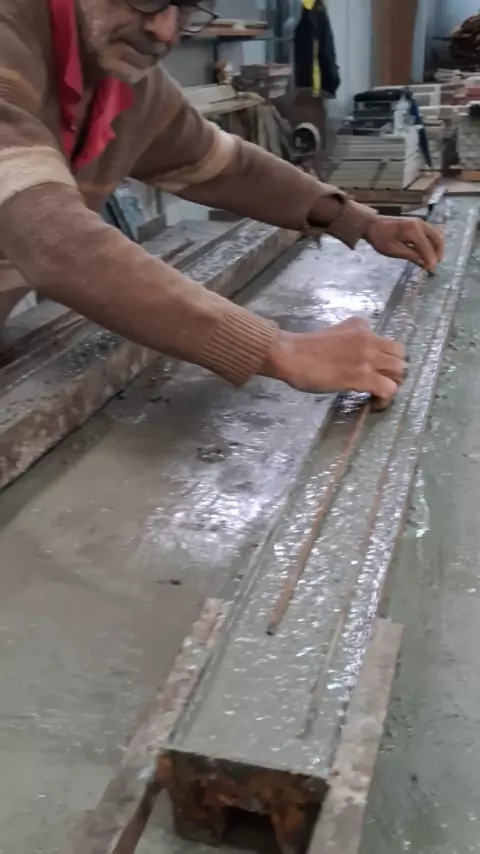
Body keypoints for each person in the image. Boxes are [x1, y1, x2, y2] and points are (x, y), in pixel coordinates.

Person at [0, 0, 443, 408]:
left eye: (185, 9)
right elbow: (53, 237)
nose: (165, 31)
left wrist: (358, 219)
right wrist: (280, 349)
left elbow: (223, 165)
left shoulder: (121, 78)